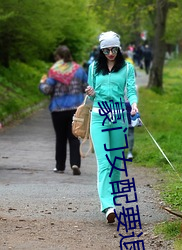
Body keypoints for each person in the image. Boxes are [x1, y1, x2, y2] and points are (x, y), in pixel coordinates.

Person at [85, 31, 138, 223]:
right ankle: (107, 206)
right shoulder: (93, 68)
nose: (110, 53)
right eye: (106, 50)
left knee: (116, 164)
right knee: (104, 163)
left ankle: (113, 200)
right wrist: (90, 92)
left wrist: (133, 104)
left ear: (119, 48)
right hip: (99, 117)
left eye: (113, 49)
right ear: (101, 50)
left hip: (119, 118)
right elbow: (91, 97)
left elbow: (131, 90)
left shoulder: (127, 68)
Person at [39, 45, 88, 175]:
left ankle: (60, 166)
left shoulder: (54, 71)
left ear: (58, 57)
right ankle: (75, 163)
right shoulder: (79, 70)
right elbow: (86, 87)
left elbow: (47, 90)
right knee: (74, 137)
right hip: (75, 109)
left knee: (60, 138)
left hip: (58, 109)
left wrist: (42, 83)